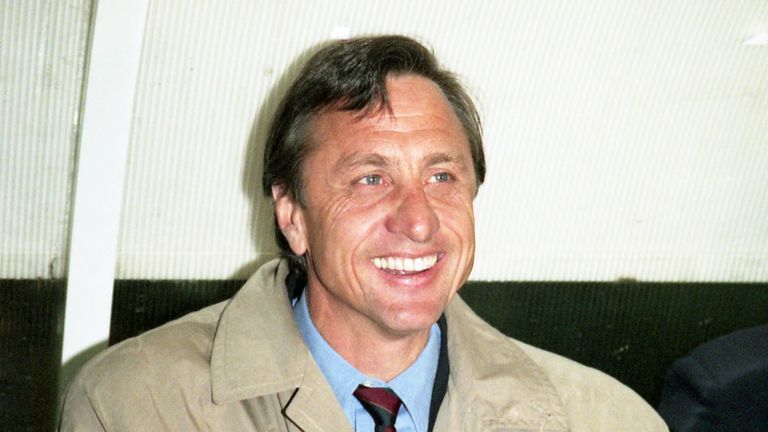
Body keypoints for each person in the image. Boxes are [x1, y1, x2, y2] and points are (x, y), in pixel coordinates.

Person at [60, 35, 667, 431]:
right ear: (292, 214)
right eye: (371, 178)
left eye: (442, 175)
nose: (420, 218)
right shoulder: (140, 407)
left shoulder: (605, 419)